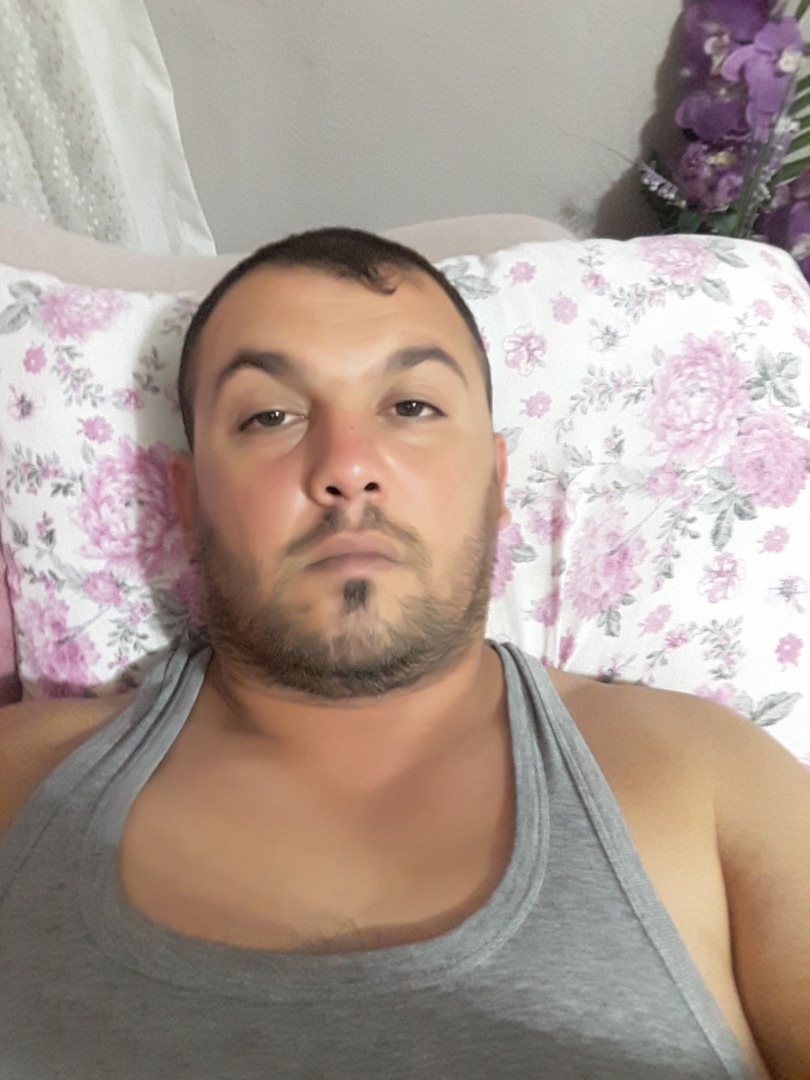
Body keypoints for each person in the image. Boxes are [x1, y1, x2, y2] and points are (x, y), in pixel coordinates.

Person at [0, 227, 808, 1080]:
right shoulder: (19, 781)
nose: (348, 467)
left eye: (412, 407)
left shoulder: (705, 775)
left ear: (496, 481)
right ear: (187, 499)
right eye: (270, 416)